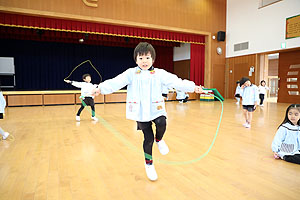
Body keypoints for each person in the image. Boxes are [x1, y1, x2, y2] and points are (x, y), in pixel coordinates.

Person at [94, 42, 204, 181]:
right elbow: (116, 82)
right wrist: (100, 88)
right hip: (140, 111)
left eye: (147, 58)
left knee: (161, 122)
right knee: (148, 138)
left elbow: (177, 82)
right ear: (136, 59)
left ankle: (160, 139)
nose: (144, 61)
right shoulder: (131, 73)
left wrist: (193, 87)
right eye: (140, 58)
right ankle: (149, 164)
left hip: (156, 107)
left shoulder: (160, 73)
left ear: (153, 58)